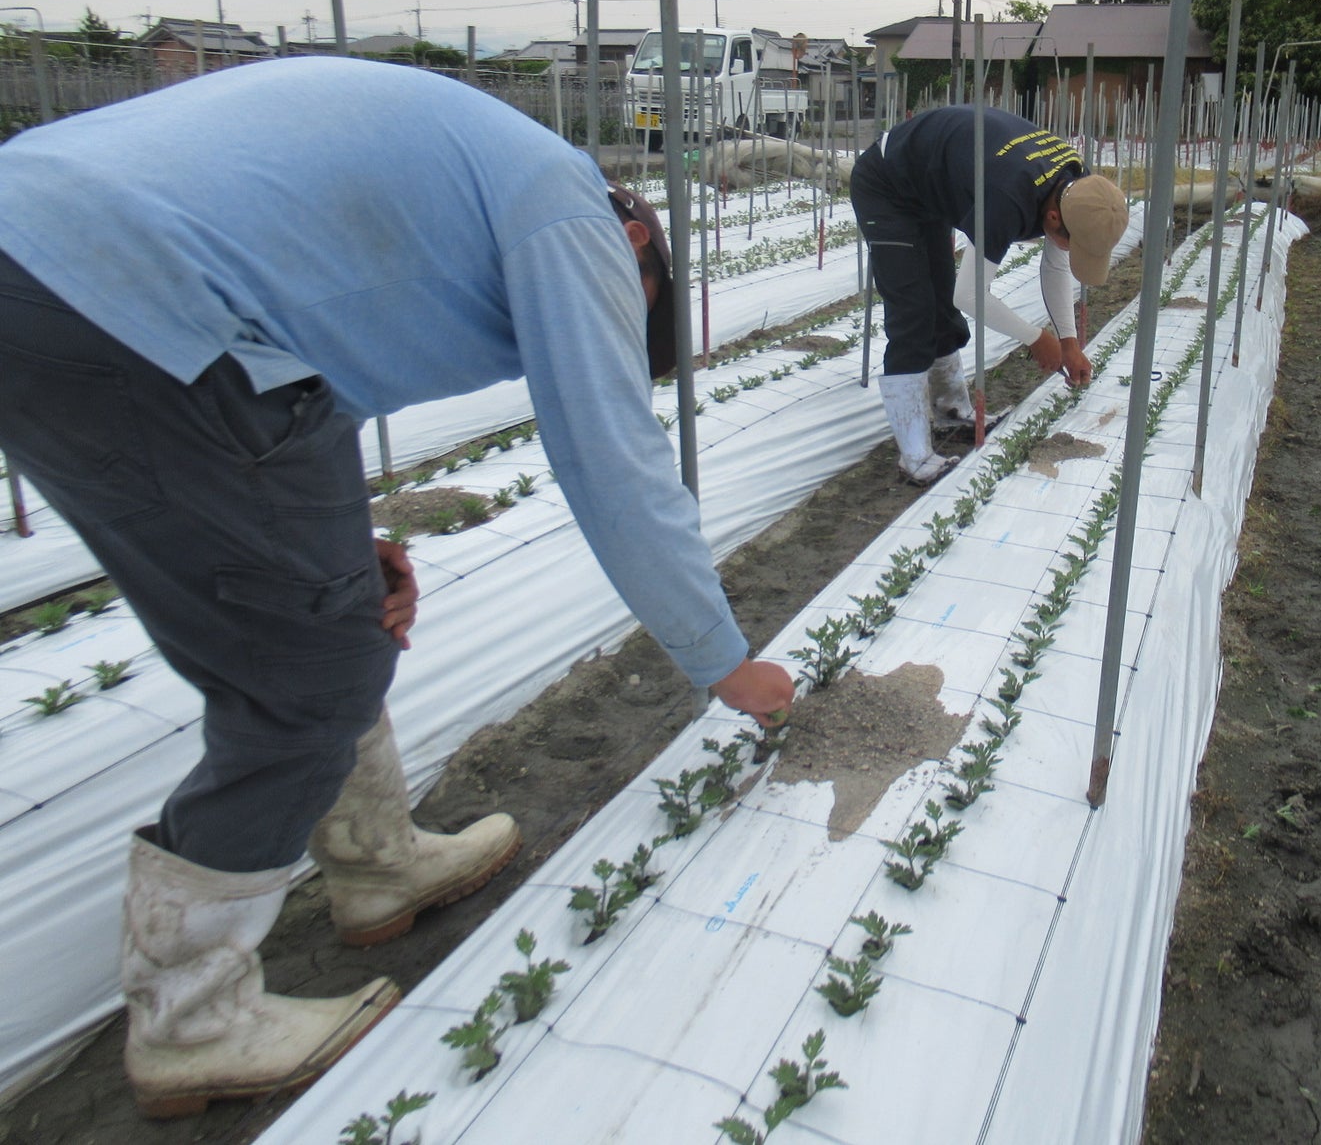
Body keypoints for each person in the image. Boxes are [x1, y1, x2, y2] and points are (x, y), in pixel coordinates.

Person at [0, 57, 793, 1118]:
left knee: (331, 602)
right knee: (304, 675)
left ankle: (375, 864)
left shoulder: (493, 171)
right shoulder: (572, 220)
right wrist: (722, 661)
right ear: (638, 251)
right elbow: (612, 458)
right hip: (115, 296)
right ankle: (192, 1018)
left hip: (65, 262)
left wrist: (341, 538)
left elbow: (309, 346)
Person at [850, 103, 1130, 485]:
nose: (1069, 250)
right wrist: (1037, 338)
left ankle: (951, 411)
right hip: (887, 185)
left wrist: (1068, 341)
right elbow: (969, 295)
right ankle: (914, 457)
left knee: (940, 306)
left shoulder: (1078, 188)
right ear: (1053, 218)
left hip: (928, 185)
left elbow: (1054, 265)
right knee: (913, 312)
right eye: (1072, 243)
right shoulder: (1007, 197)